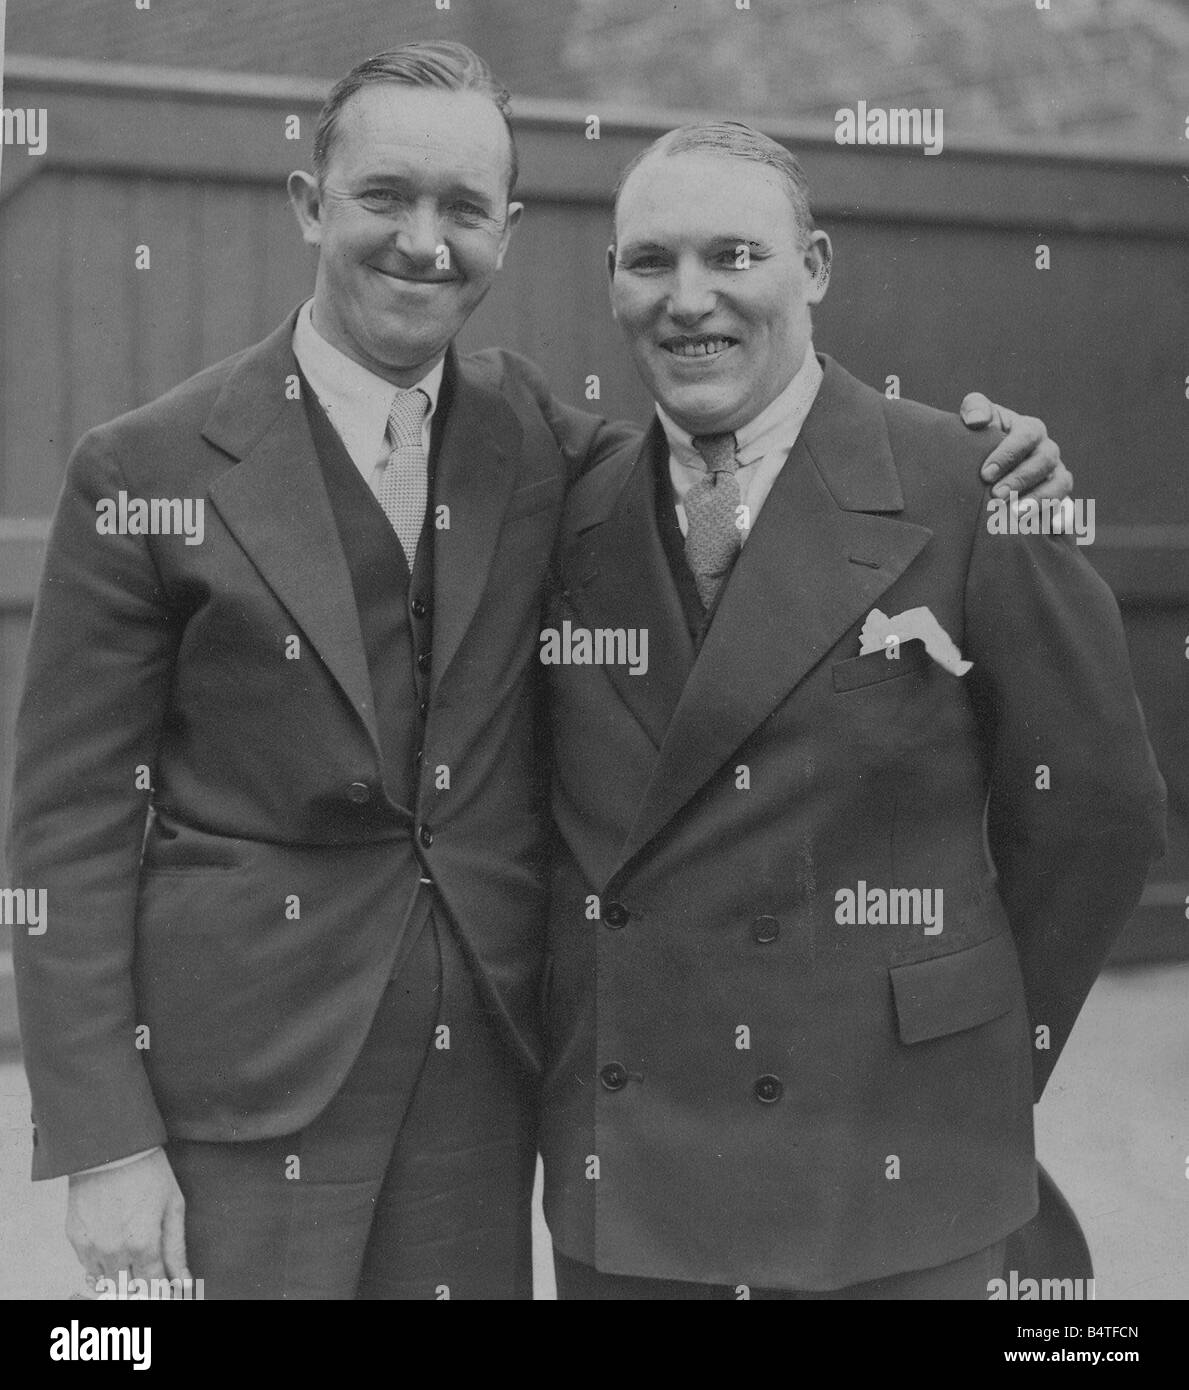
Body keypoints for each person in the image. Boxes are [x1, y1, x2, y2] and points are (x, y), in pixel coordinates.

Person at [9, 44, 1068, 1301]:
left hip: (491, 1072)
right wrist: (106, 1139)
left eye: (463, 210)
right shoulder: (145, 470)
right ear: (308, 205)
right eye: (384, 198)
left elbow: (755, 470)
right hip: (240, 1085)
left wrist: (981, 460)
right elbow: (68, 822)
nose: (423, 240)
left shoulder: (540, 441)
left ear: (507, 233)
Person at [539, 121, 1167, 1300]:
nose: (690, 300)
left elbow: (1098, 813)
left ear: (814, 267)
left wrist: (963, 1045)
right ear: (610, 283)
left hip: (895, 1179)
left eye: (734, 256)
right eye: (650, 262)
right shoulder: (566, 513)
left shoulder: (971, 487)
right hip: (633, 1182)